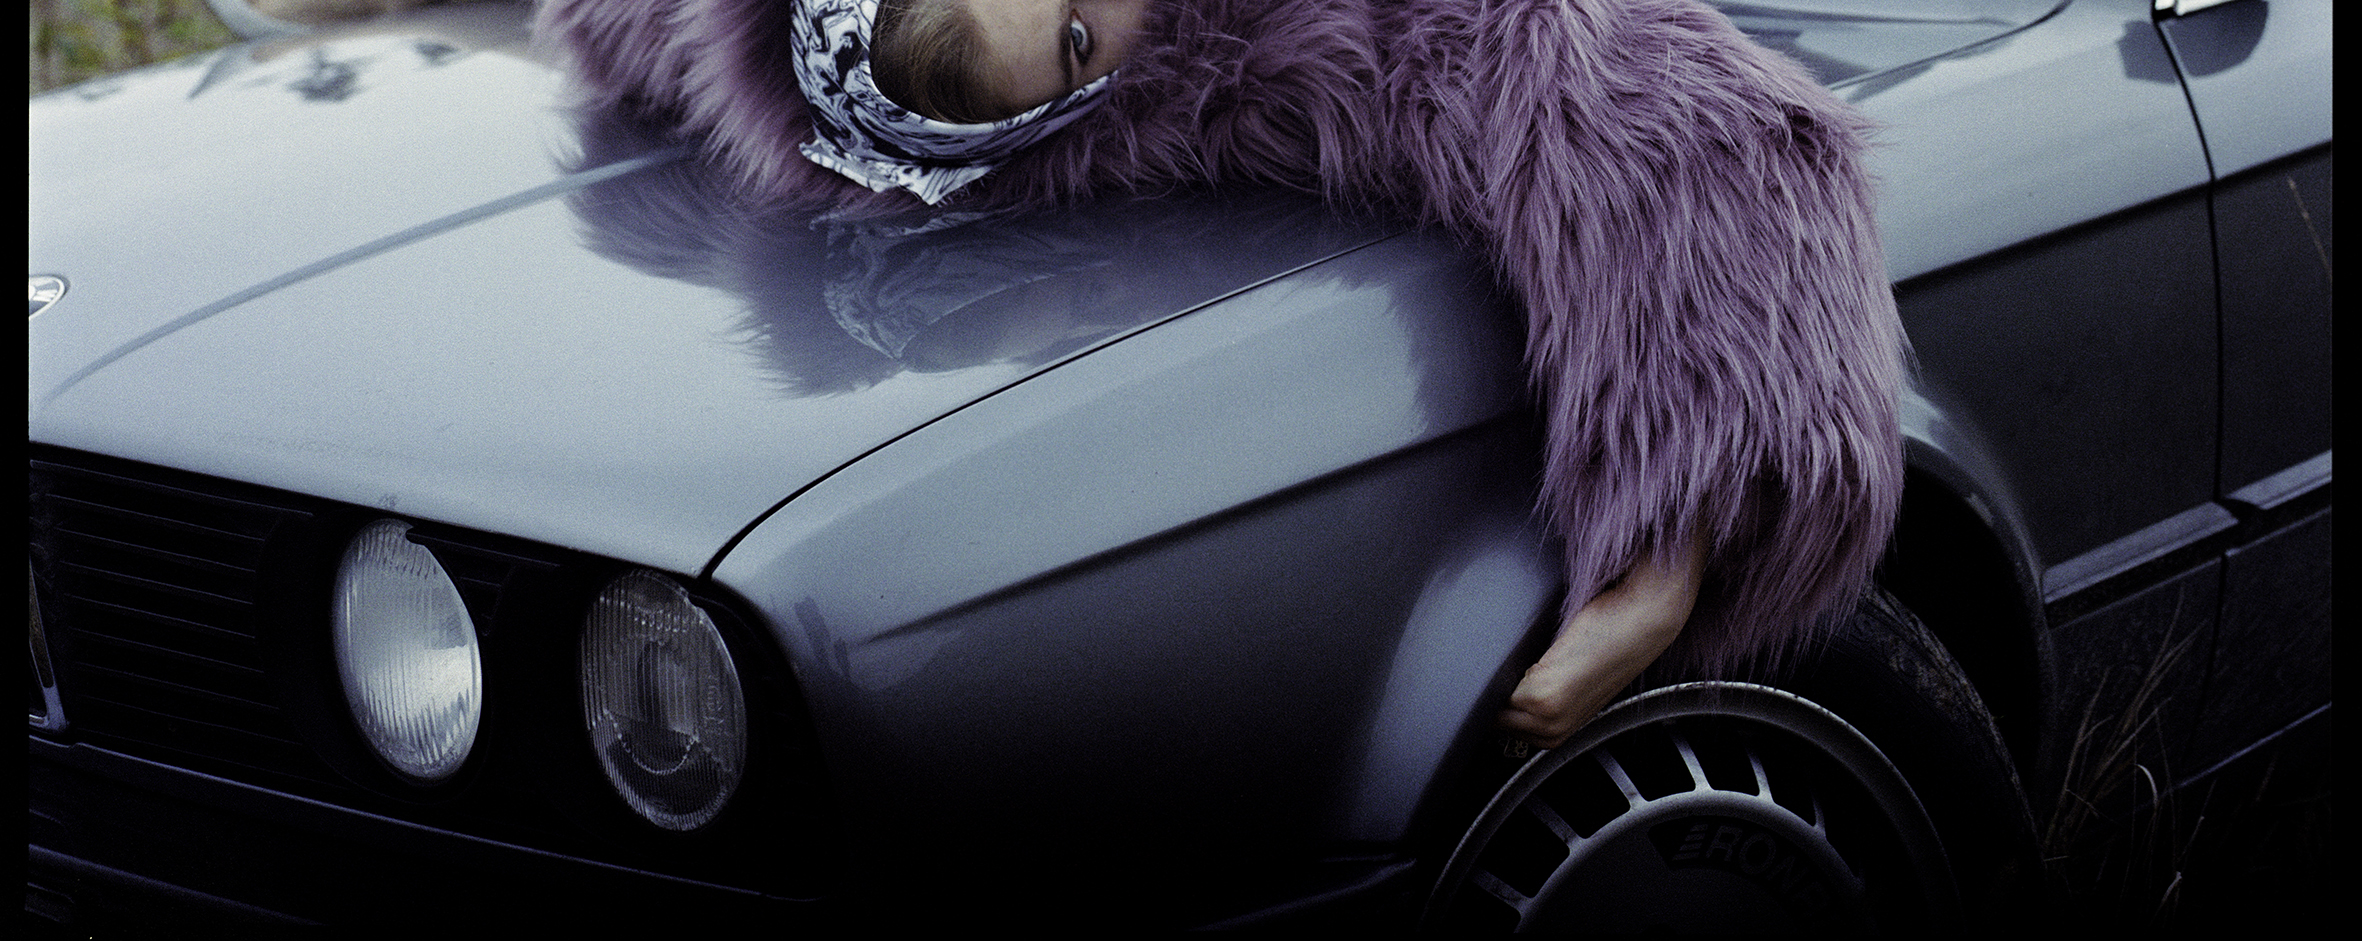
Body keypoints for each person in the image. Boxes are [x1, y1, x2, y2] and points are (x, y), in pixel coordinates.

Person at [534, 0, 1907, 749]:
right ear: (1063, 117)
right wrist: (1675, 542)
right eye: (1077, 37)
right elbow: (1661, 118)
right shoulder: (1284, 44)